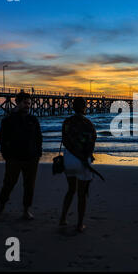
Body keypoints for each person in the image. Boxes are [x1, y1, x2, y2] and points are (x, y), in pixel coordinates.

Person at [0, 92, 43, 220]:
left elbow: (39, 138)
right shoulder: (8, 120)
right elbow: (2, 139)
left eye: (29, 103)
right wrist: (6, 155)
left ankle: (26, 211)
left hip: (31, 158)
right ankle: (1, 209)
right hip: (14, 158)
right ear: (17, 103)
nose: (27, 105)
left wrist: (38, 154)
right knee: (8, 183)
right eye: (25, 103)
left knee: (29, 186)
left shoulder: (33, 120)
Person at [59, 97, 97, 232]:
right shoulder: (88, 123)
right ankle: (80, 224)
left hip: (68, 160)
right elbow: (91, 143)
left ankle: (63, 218)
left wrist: (74, 152)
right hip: (82, 162)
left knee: (70, 190)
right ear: (84, 107)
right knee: (82, 194)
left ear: (72, 107)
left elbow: (65, 141)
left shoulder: (66, 122)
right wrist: (85, 156)